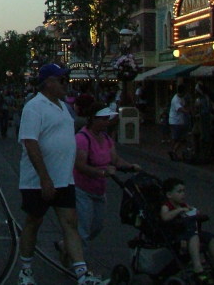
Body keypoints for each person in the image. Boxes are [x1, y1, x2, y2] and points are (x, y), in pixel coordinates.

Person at [17, 63, 104, 285]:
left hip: (64, 178)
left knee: (70, 223)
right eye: (62, 80)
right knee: (33, 222)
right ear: (49, 82)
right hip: (38, 181)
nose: (67, 84)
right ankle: (25, 270)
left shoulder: (64, 107)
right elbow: (30, 142)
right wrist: (44, 178)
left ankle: (82, 274)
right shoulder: (34, 107)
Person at [67, 102, 140, 257]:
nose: (107, 122)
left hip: (99, 190)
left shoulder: (106, 138)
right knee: (84, 228)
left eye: (108, 119)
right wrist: (102, 172)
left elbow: (115, 159)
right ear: (94, 119)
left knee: (97, 226)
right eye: (104, 119)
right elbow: (80, 165)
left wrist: (131, 167)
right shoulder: (82, 138)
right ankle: (81, 268)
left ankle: (69, 246)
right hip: (82, 189)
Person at [160, 178, 214, 284]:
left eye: (184, 191)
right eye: (179, 192)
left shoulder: (184, 205)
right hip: (178, 235)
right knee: (194, 236)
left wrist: (195, 212)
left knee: (210, 238)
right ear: (169, 195)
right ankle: (198, 268)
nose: (183, 194)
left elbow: (192, 211)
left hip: (191, 232)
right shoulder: (166, 206)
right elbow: (165, 217)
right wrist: (178, 210)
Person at [168, 84, 191, 161]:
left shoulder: (182, 98)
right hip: (175, 121)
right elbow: (180, 109)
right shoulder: (175, 100)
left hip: (180, 121)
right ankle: (172, 151)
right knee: (176, 138)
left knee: (181, 138)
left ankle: (173, 151)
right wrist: (188, 111)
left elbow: (184, 106)